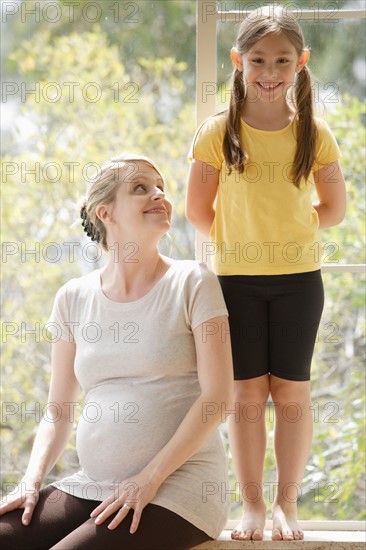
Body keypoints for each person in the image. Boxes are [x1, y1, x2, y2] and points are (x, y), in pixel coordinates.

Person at [0, 153, 234, 550]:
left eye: (161, 187)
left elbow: (218, 398)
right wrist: (31, 480)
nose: (159, 194)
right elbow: (59, 410)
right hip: (94, 485)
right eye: (141, 188)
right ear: (104, 212)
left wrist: (149, 478)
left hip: (180, 487)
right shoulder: (73, 297)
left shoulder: (193, 281)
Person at [186, 5, 346, 543]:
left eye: (282, 60)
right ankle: (252, 506)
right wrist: (243, 242)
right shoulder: (216, 133)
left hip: (301, 281)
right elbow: (196, 211)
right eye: (258, 59)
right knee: (247, 395)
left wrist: (293, 233)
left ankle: (286, 506)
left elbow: (334, 208)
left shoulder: (315, 134)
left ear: (300, 63)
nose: (270, 71)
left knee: (293, 394)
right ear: (238, 61)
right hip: (235, 282)